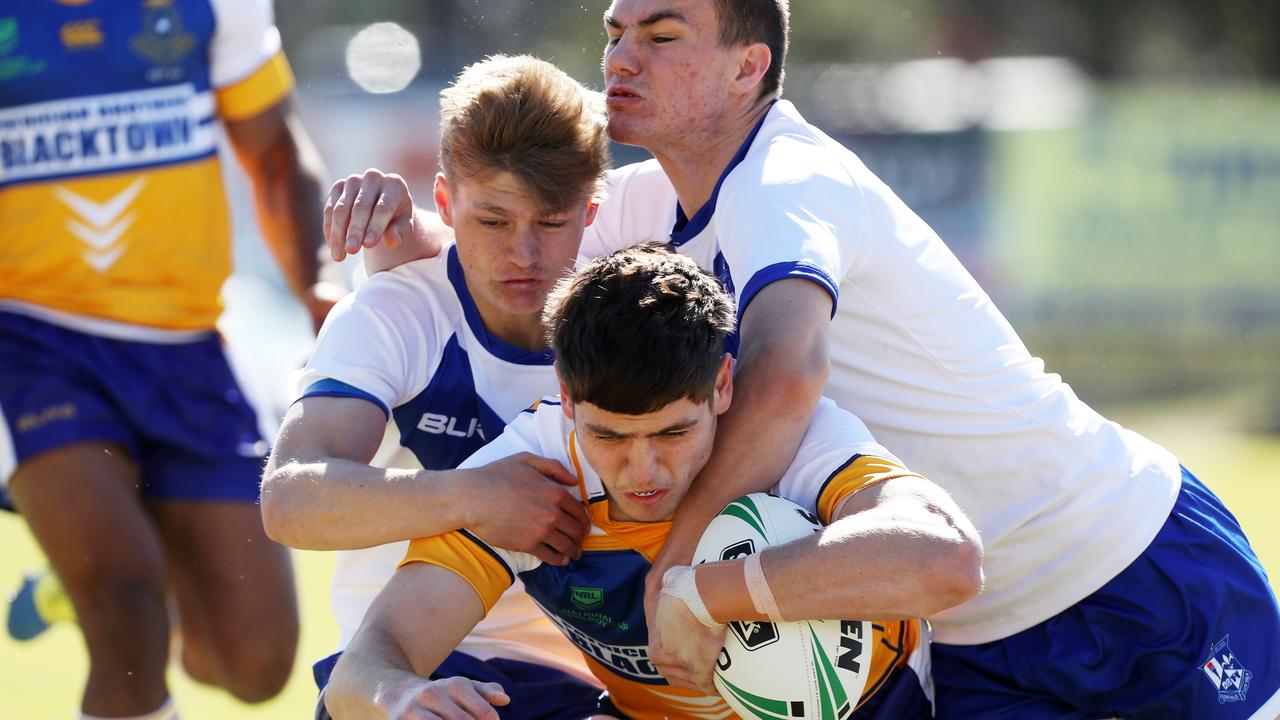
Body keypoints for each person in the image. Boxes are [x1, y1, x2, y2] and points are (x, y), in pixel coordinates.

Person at [331, 1, 1280, 717]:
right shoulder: (647, 205)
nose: (622, 56)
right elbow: (519, 248)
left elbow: (787, 377)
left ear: (750, 65)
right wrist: (405, 219)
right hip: (965, 628)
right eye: (617, 33)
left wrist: (683, 578)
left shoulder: (786, 180)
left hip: (1123, 562)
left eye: (663, 35)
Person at [324, 244, 982, 720]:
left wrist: (702, 595)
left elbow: (948, 558)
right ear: (568, 400)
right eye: (609, 437)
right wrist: (400, 697)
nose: (643, 471)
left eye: (673, 434)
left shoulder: (791, 441)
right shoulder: (537, 468)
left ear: (723, 387)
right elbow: (365, 666)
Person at [0, 1, 336, 717]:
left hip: (188, 348)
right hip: (28, 341)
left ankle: (73, 576)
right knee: (125, 614)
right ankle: (102, 569)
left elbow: (275, 152)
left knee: (254, 665)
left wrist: (313, 289)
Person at [259, 55, 614, 719]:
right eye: (494, 221)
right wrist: (476, 496)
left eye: (552, 221)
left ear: (591, 211)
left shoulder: (626, 318)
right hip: (400, 677)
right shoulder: (395, 311)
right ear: (445, 203)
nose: (524, 255)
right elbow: (290, 497)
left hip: (585, 689)